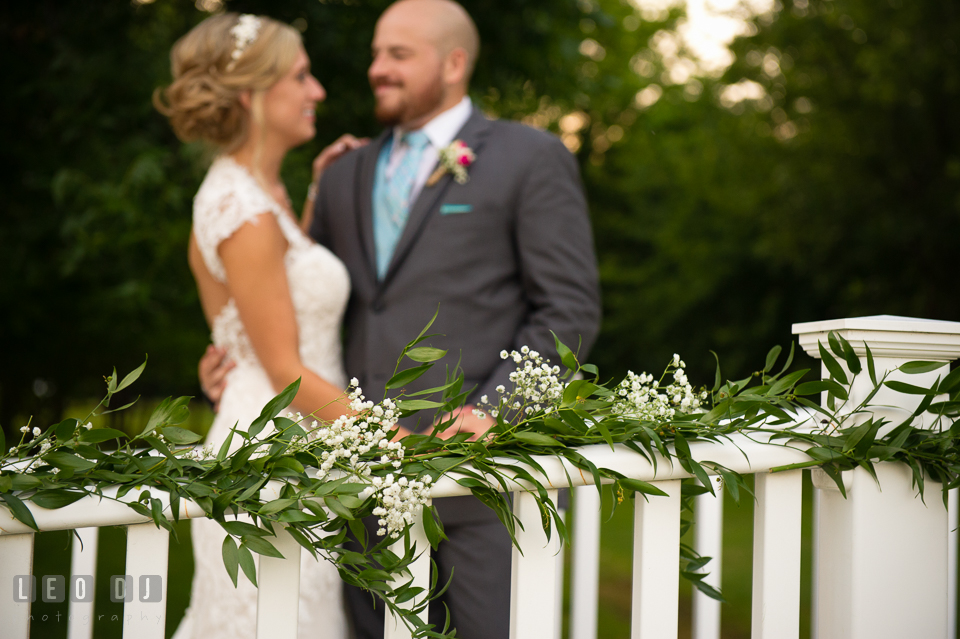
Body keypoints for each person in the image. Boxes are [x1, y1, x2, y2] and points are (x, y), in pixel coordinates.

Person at [202, 0, 601, 637]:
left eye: (398, 55)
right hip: (357, 488)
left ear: (454, 63)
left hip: (482, 485)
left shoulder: (530, 157)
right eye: (375, 54)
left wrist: (491, 414)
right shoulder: (341, 176)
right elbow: (292, 304)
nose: (376, 69)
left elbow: (570, 313)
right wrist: (236, 355)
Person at [154, 13, 365, 639]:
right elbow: (285, 372)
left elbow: (283, 294)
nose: (317, 91)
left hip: (294, 458)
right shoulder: (241, 209)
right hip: (267, 462)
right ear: (251, 94)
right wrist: (400, 444)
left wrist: (316, 197)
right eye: (301, 76)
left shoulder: (260, 196)